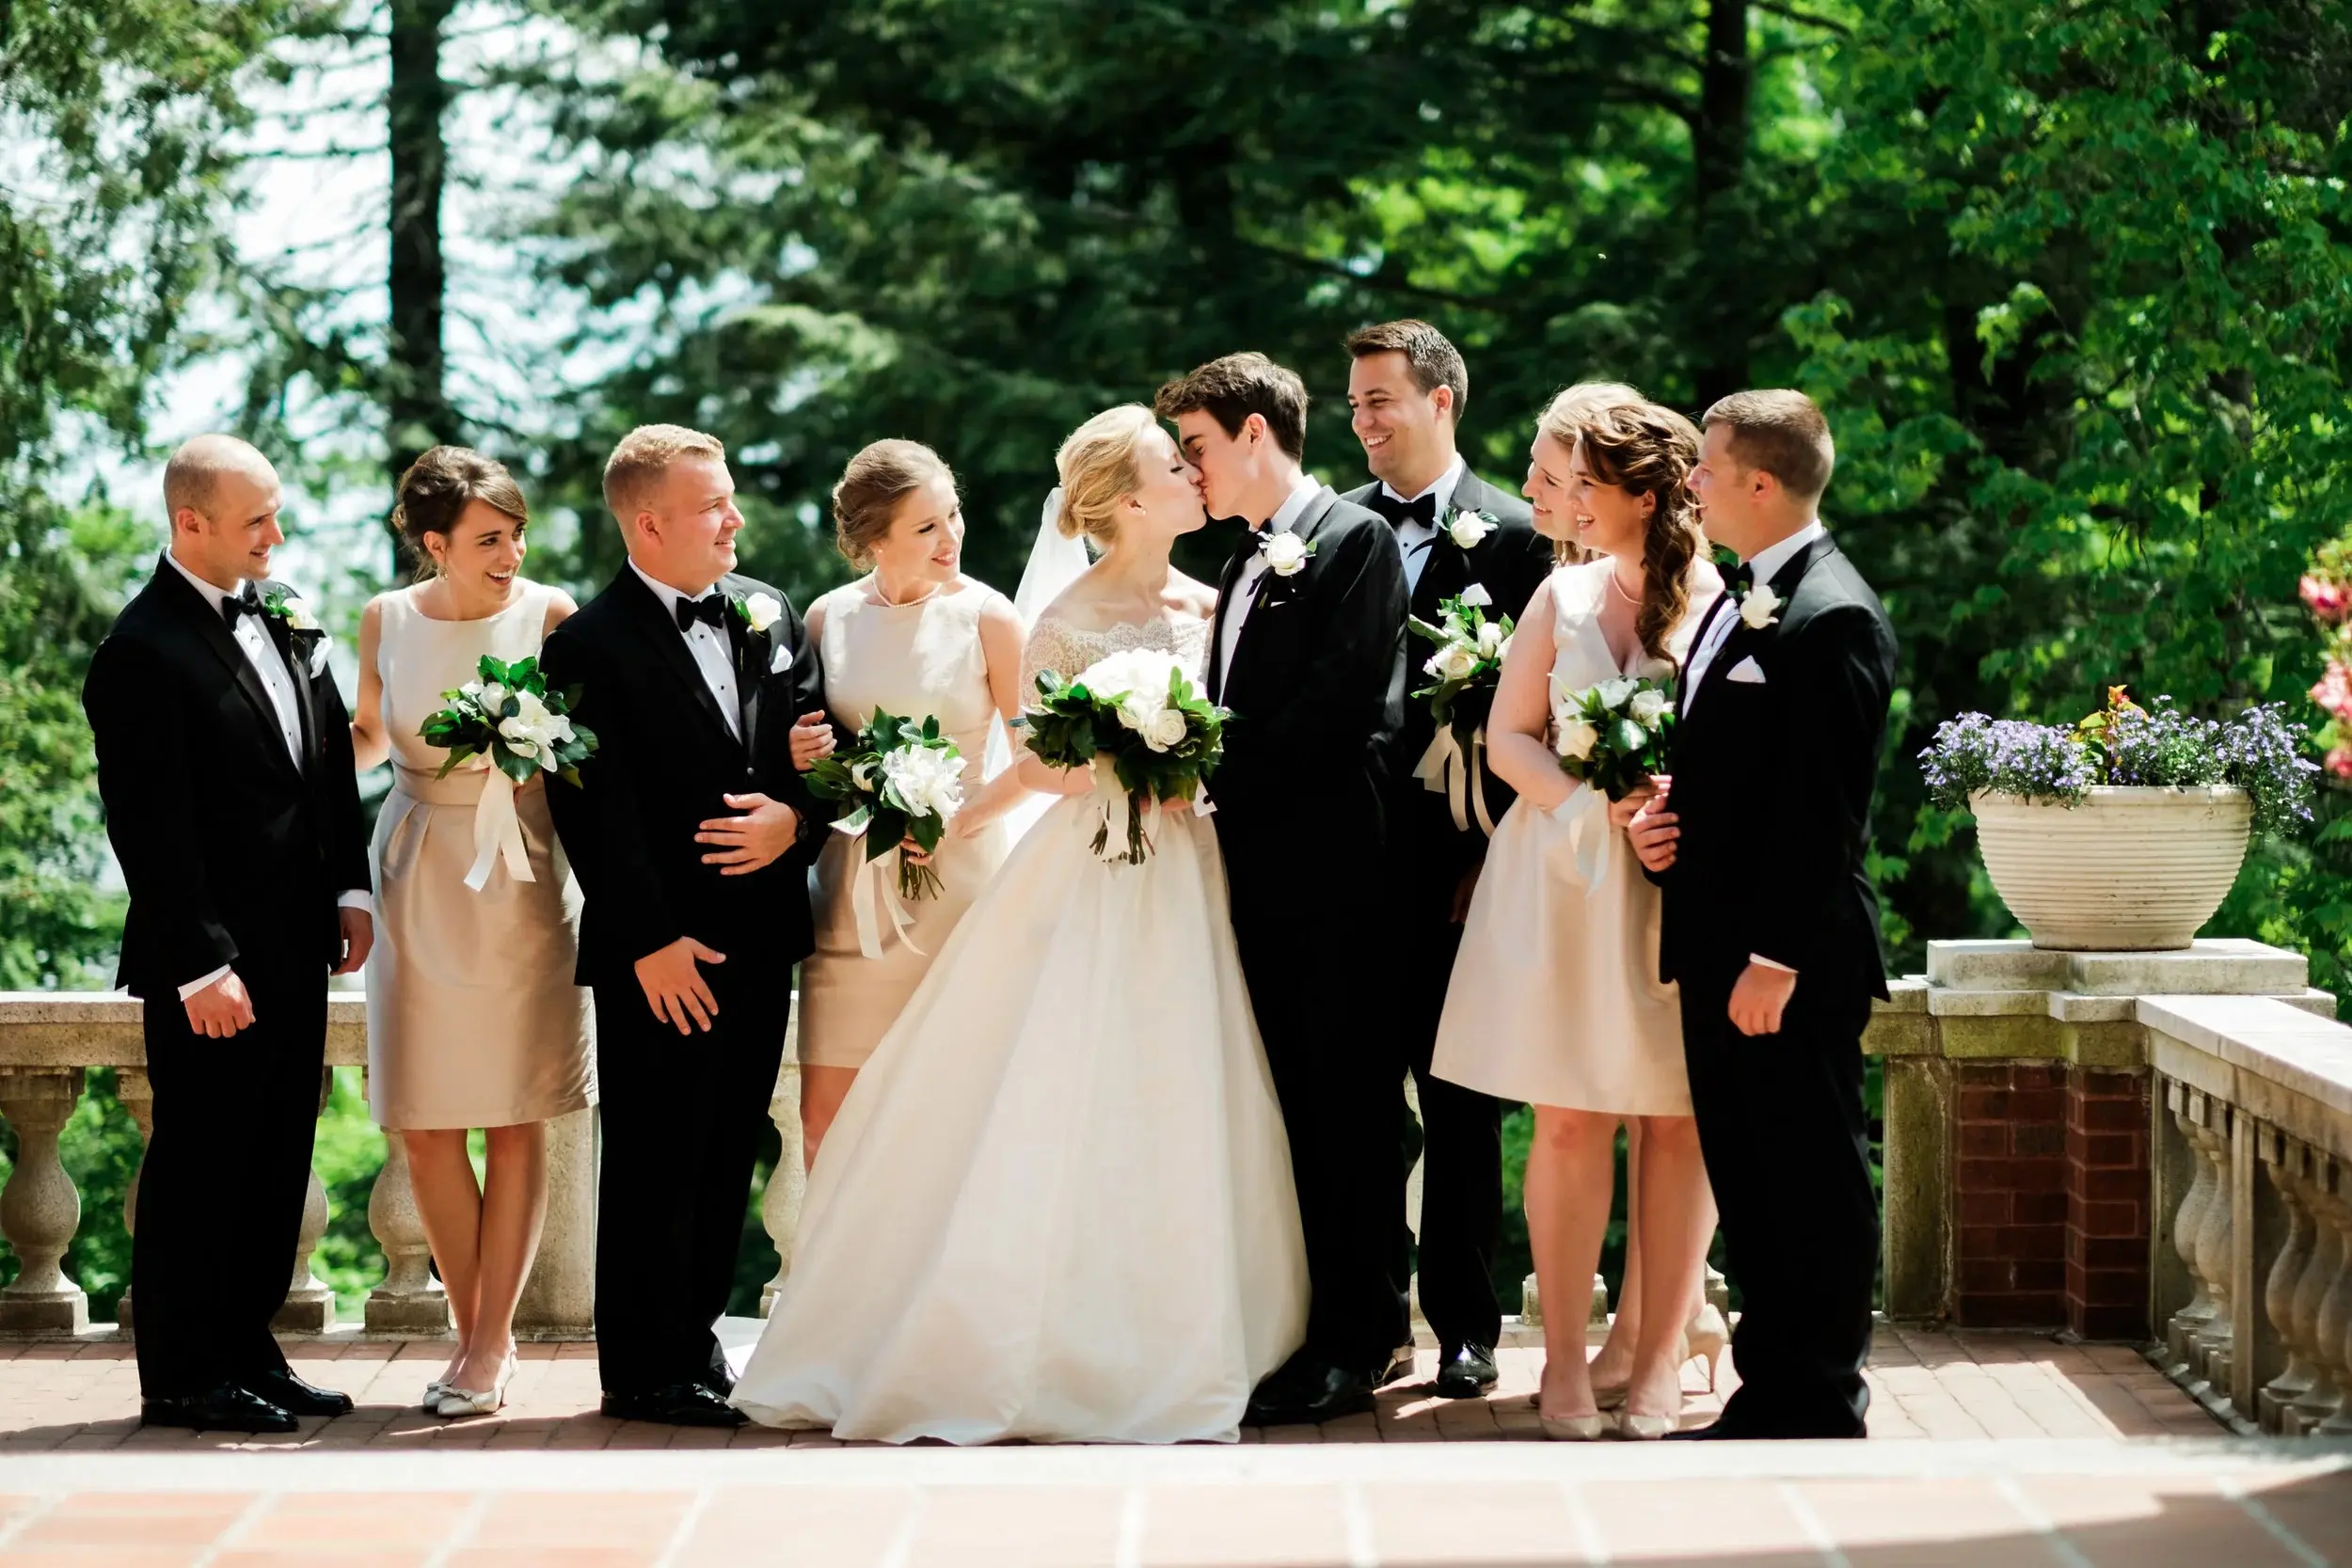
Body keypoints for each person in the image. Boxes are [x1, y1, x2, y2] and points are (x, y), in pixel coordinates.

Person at [731, 405, 1307, 1443]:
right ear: (1129, 498)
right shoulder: (1060, 618)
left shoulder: (1219, 606)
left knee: (1183, 1081)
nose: (1192, 473)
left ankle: (1191, 1322)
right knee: (1054, 1086)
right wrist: (962, 807)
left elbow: (1245, 740)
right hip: (1083, 864)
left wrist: (1180, 767)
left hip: (1191, 869)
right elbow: (1042, 756)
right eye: (1173, 465)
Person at [1434, 390, 1726, 1440]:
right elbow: (1509, 738)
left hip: (1674, 883)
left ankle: (1655, 1360)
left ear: (1645, 496)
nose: (1566, 502)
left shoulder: (1718, 600)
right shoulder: (1558, 599)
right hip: (1561, 882)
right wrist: (1584, 795)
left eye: (1588, 486)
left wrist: (1668, 804)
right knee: (1564, 1117)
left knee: (1675, 1116)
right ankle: (1561, 1362)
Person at [83, 436, 372, 1433]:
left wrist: (353, 886)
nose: (277, 536)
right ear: (189, 523)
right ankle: (180, 1373)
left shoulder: (286, 618)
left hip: (299, 946)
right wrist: (202, 958)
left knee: (276, 1157)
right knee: (201, 1162)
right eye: (257, 521)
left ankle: (247, 1347)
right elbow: (148, 826)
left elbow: (327, 765)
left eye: (277, 513)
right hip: (207, 963)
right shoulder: (140, 649)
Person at [540, 423, 825, 1428]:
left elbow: (812, 747)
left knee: (724, 1152)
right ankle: (642, 1366)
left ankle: (695, 1340)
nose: (734, 518)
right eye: (713, 504)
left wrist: (799, 816)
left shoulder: (769, 611)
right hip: (660, 947)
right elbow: (590, 805)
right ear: (649, 521)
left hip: (762, 934)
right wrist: (647, 939)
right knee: (657, 1152)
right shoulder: (583, 644)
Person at [1629, 389, 1897, 1441]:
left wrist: (1774, 958)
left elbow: (1823, 812)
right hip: (1716, 939)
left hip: (1785, 958)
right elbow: (1739, 774)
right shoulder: (1743, 596)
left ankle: (1821, 1392)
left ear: (1759, 482)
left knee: (1813, 1174)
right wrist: (1665, 823)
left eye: (1706, 466)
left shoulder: (1833, 613)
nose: (1690, 485)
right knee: (1751, 1174)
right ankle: (1771, 1382)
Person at [1157, 353, 1411, 1426]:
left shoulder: (1356, 541)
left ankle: (1357, 1338)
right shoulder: (1249, 562)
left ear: (1255, 434)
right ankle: (1325, 1323)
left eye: (1200, 449)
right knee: (1300, 1108)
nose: (1191, 471)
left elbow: (1338, 704)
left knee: (1348, 1107)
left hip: (1336, 877)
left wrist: (1202, 763)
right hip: (1258, 876)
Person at [348, 446, 595, 1419]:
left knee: (514, 1105)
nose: (511, 551)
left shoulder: (553, 613)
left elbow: (584, 738)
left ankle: (486, 1344)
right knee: (422, 1116)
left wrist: (542, 756)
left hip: (522, 877)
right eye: (490, 538)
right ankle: (473, 1328)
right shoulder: (385, 619)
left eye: (516, 533)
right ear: (433, 542)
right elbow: (367, 736)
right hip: (414, 870)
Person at [1340, 319, 1551, 1400]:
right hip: (1351, 875)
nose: (1365, 420)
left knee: (1465, 1105)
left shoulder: (1518, 539)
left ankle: (1468, 1323)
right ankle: (1373, 1320)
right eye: (1356, 404)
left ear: (1441, 402)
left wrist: (1493, 860)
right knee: (1362, 1109)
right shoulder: (1331, 533)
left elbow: (1548, 715)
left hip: (1466, 875)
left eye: (1381, 399)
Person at [790, 441, 1026, 1168]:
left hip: (955, 887)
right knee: (825, 1117)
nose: (950, 537)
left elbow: (1038, 762)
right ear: (873, 538)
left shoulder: (989, 617)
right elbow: (809, 756)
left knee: (953, 1110)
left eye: (952, 515)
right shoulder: (827, 619)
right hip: (851, 888)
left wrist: (957, 821)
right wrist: (805, 756)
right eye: (926, 526)